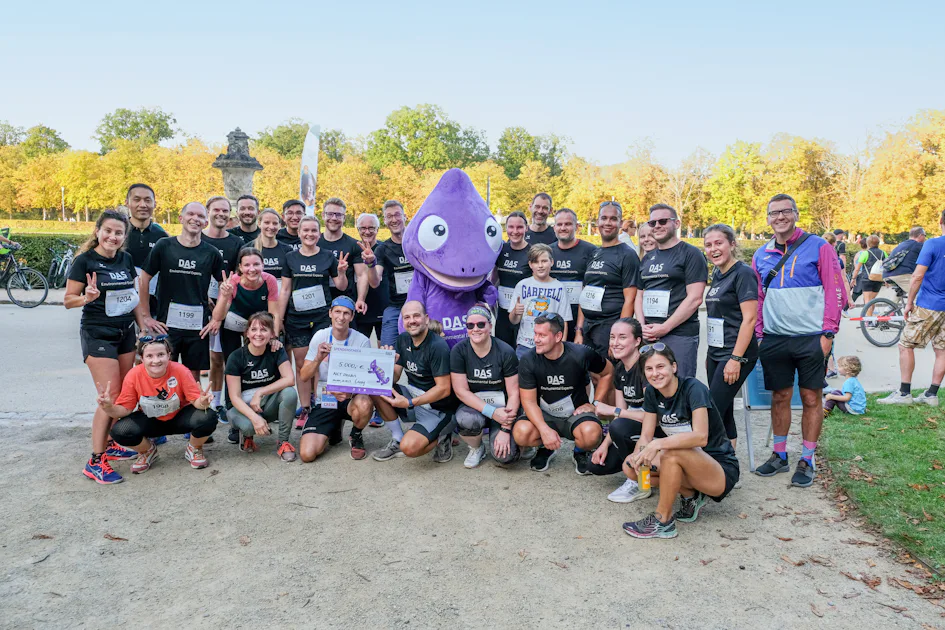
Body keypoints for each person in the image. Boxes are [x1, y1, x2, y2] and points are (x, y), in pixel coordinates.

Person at [751, 193, 846, 488]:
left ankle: (807, 458)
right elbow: (757, 297)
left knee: (810, 398)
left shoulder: (819, 247)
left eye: (785, 211)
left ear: (795, 214)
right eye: (773, 213)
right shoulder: (760, 254)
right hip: (775, 339)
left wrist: (829, 333)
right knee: (779, 397)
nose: (779, 217)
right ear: (767, 218)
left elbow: (835, 291)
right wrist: (759, 334)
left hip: (811, 338)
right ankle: (779, 455)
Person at [622, 344, 739, 539]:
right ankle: (690, 496)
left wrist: (657, 445)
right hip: (686, 462)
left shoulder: (693, 388)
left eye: (661, 367)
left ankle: (663, 521)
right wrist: (641, 455)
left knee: (670, 453)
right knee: (630, 466)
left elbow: (700, 436)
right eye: (649, 369)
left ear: (673, 367)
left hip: (718, 469)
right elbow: (645, 435)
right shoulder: (651, 392)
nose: (655, 373)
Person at [65, 210, 142, 484]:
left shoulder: (126, 259)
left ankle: (110, 442)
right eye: (108, 230)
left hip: (125, 332)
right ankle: (96, 461)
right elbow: (67, 300)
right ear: (97, 231)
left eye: (118, 233)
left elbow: (131, 296)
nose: (112, 236)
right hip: (98, 334)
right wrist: (86, 297)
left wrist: (141, 325)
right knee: (108, 396)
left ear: (124, 237)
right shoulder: (84, 261)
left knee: (122, 395)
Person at [101, 336, 218, 474]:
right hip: (150, 420)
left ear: (169, 355)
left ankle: (195, 447)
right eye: (149, 356)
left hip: (179, 417)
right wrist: (108, 407)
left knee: (208, 416)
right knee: (120, 430)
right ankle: (147, 451)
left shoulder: (180, 370)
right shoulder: (134, 375)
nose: (156, 361)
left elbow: (195, 401)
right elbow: (125, 409)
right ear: (142, 358)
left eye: (161, 355)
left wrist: (203, 402)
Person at [136, 202, 225, 384]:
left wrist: (217, 318)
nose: (195, 219)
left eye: (200, 216)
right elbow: (143, 279)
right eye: (191, 214)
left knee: (192, 376)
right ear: (181, 218)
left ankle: (192, 410)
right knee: (163, 371)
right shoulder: (164, 246)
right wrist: (146, 316)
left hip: (197, 327)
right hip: (166, 325)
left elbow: (225, 286)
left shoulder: (212, 253)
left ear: (205, 222)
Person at [514, 313, 613, 474]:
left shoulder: (581, 353)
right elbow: (529, 401)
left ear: (558, 336)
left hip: (575, 414)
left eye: (542, 335)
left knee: (591, 434)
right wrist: (544, 430)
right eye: (535, 334)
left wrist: (595, 403)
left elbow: (608, 372)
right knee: (521, 433)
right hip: (545, 414)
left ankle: (580, 451)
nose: (536, 339)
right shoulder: (528, 359)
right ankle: (545, 447)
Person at [281, 215, 348, 429]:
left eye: (313, 231)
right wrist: (278, 320)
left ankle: (322, 404)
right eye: (305, 231)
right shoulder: (290, 257)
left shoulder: (328, 256)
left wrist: (341, 272)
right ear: (299, 233)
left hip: (321, 317)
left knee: (322, 362)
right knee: (302, 365)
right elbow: (284, 290)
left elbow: (341, 285)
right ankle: (305, 407)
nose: (309, 234)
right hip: (297, 318)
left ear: (319, 234)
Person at [372, 300, 457, 463]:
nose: (412, 321)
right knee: (376, 388)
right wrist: (386, 365)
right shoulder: (403, 339)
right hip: (413, 397)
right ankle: (397, 437)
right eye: (407, 317)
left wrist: (410, 402)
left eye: (416, 316)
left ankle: (444, 434)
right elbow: (395, 377)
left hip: (436, 407)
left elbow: (444, 389)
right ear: (402, 322)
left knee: (410, 448)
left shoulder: (437, 346)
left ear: (426, 318)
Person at [878, 209, 945, 407]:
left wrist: (909, 303)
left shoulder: (932, 243)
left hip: (929, 304)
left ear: (940, 220)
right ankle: (931, 394)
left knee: (905, 345)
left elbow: (917, 276)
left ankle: (904, 392)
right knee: (942, 350)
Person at [634, 203, 707, 379]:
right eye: (652, 223)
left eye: (663, 221)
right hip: (650, 334)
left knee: (679, 388)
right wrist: (642, 326)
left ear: (677, 223)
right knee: (651, 389)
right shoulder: (648, 258)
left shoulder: (691, 253)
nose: (657, 226)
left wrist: (665, 328)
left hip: (679, 335)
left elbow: (695, 298)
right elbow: (639, 294)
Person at [298, 297, 376, 462]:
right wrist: (318, 359)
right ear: (330, 313)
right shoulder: (320, 336)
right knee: (307, 454)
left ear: (352, 316)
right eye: (337, 312)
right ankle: (331, 427)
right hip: (325, 399)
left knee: (364, 404)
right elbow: (304, 376)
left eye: (346, 313)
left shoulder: (361, 341)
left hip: (350, 399)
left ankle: (355, 434)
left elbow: (368, 382)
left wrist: (349, 392)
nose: (341, 317)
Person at [703, 223, 758, 447]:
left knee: (711, 409)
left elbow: (750, 319)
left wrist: (735, 359)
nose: (713, 249)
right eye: (708, 245)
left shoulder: (743, 273)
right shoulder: (717, 273)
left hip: (736, 353)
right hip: (716, 351)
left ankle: (717, 463)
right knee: (723, 411)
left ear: (732, 244)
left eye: (719, 243)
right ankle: (729, 464)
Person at [588, 318, 651, 503]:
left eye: (622, 337)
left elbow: (650, 417)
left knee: (621, 426)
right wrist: (604, 445)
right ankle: (639, 470)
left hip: (657, 432)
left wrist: (613, 411)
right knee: (597, 466)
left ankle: (640, 481)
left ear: (637, 341)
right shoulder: (620, 369)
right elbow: (620, 412)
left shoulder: (647, 367)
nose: (615, 343)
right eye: (612, 337)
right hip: (634, 428)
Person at [450, 305, 521, 468]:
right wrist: (491, 412)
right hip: (476, 407)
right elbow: (461, 391)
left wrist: (505, 429)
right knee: (465, 419)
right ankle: (476, 448)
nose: (476, 329)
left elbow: (514, 393)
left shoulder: (505, 351)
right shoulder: (459, 351)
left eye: (481, 324)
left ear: (490, 325)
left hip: (504, 408)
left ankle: (520, 443)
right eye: (470, 325)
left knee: (506, 457)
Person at [224, 312, 298, 460]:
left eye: (264, 330)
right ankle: (246, 435)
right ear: (247, 333)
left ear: (272, 334)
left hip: (264, 404)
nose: (258, 334)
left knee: (290, 393)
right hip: (240, 408)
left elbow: (290, 379)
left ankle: (283, 442)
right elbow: (234, 397)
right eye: (254, 329)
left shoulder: (276, 350)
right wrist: (254, 418)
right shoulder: (236, 357)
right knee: (249, 426)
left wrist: (260, 393)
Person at [575, 201, 639, 361]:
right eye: (604, 218)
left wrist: (617, 337)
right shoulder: (594, 253)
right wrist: (579, 330)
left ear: (620, 223)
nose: (608, 223)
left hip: (609, 327)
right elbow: (585, 292)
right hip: (589, 328)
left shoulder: (628, 255)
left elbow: (630, 299)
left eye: (613, 219)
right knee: (593, 376)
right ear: (597, 222)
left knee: (609, 377)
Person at [202, 196, 246, 424]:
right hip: (201, 306)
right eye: (216, 209)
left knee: (227, 358)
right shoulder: (197, 238)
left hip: (227, 306)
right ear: (208, 211)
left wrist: (224, 300)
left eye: (225, 210)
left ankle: (224, 403)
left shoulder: (236, 243)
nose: (220, 214)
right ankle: (211, 401)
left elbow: (241, 273)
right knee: (212, 360)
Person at [210, 248, 282, 359]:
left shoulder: (269, 280)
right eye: (247, 265)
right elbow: (218, 316)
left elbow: (274, 314)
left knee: (259, 359)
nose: (252, 269)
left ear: (263, 265)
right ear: (240, 267)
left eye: (256, 264)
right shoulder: (232, 282)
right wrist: (224, 296)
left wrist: (274, 337)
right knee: (232, 359)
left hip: (258, 325)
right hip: (232, 325)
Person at [508, 243, 571, 358]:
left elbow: (564, 321)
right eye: (536, 262)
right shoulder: (522, 285)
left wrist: (561, 346)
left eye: (544, 261)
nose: (540, 265)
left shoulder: (559, 287)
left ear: (551, 262)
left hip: (550, 346)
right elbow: (513, 321)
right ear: (530, 264)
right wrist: (515, 312)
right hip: (525, 345)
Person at [551, 208, 598, 342]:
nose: (563, 228)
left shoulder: (591, 251)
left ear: (576, 226)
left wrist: (580, 328)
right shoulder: (547, 251)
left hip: (582, 320)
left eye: (568, 224)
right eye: (559, 224)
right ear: (554, 228)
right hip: (554, 319)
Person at [374, 200, 414, 348]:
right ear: (384, 221)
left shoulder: (418, 242)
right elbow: (375, 281)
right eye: (389, 216)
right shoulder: (382, 249)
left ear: (405, 216)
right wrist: (371, 265)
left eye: (397, 215)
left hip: (422, 304)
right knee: (387, 353)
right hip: (396, 306)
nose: (394, 219)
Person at [124, 184, 166, 313]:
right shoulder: (118, 233)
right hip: (122, 306)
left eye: (148, 200)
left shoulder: (162, 236)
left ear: (155, 204)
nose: (143, 205)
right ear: (127, 203)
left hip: (153, 308)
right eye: (137, 199)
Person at [318, 197, 367, 307]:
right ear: (323, 215)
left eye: (338, 215)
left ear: (344, 217)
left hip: (346, 302)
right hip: (319, 303)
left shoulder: (354, 245)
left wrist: (360, 299)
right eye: (330, 214)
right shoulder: (314, 243)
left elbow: (362, 275)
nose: (334, 218)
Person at [494, 211, 532, 347]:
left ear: (526, 228)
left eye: (519, 227)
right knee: (502, 350)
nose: (515, 231)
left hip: (524, 314)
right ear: (506, 228)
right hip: (503, 313)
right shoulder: (500, 250)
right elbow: (494, 277)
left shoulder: (532, 253)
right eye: (511, 227)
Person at [354, 212, 388, 342]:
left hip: (382, 307)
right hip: (360, 310)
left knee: (382, 350)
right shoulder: (354, 249)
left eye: (371, 228)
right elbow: (361, 276)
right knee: (360, 350)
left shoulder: (384, 248)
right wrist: (360, 299)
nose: (367, 232)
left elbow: (375, 278)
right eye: (363, 228)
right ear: (358, 229)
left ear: (378, 229)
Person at [253, 208, 293, 285]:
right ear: (259, 223)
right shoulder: (249, 249)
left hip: (281, 295)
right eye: (267, 222)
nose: (271, 227)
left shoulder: (287, 250)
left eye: (275, 223)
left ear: (280, 226)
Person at [883, 226, 926, 294]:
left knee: (900, 293)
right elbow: (927, 259)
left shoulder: (902, 244)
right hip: (902, 274)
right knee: (919, 295)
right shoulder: (918, 245)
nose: (925, 238)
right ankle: (914, 304)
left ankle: (891, 304)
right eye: (925, 235)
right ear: (921, 235)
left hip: (887, 274)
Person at [852, 234, 886, 314]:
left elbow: (857, 268)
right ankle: (871, 318)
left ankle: (869, 320)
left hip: (867, 279)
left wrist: (853, 279)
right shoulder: (883, 253)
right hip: (879, 279)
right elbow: (886, 266)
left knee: (867, 300)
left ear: (868, 243)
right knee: (872, 299)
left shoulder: (865, 253)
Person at [849, 237, 869, 304]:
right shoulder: (867, 253)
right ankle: (845, 308)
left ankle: (868, 308)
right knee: (857, 293)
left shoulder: (858, 253)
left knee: (861, 293)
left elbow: (855, 265)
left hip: (857, 274)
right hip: (862, 275)